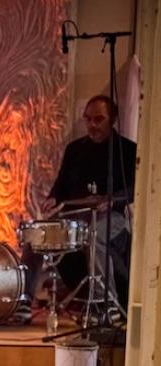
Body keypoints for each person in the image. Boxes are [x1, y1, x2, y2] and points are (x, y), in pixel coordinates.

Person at [46, 95, 137, 309]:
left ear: (113, 119)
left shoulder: (128, 150)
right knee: (39, 234)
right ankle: (23, 300)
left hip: (110, 216)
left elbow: (135, 189)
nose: (92, 125)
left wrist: (111, 199)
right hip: (75, 216)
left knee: (94, 235)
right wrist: (53, 197)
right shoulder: (74, 149)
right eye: (88, 119)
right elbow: (62, 183)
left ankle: (105, 302)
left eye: (98, 119)